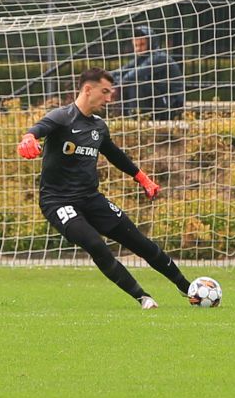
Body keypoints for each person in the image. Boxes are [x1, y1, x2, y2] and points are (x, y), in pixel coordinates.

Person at [17, 68, 192, 309]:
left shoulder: (98, 127)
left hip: (91, 199)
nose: (109, 98)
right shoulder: (62, 117)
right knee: (96, 245)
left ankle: (188, 288)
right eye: (105, 92)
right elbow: (39, 128)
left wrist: (143, 178)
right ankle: (143, 297)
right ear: (88, 89)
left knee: (140, 243)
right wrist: (28, 138)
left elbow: (115, 155)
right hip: (58, 202)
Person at [112, 25, 184, 119]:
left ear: (151, 43)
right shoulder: (141, 58)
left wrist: (117, 85)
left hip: (170, 104)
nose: (138, 49)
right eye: (136, 45)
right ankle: (127, 117)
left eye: (142, 45)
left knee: (135, 82)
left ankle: (135, 117)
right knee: (125, 82)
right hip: (155, 101)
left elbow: (133, 75)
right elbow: (120, 72)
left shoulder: (159, 57)